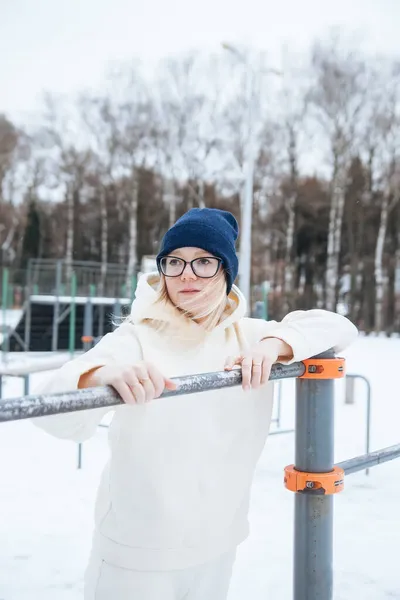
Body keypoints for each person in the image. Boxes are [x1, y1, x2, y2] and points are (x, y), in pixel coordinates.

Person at [33, 208, 358, 600]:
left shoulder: (251, 336)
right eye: (175, 262)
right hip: (136, 556)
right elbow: (51, 406)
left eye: (203, 262)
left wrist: (276, 345)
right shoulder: (135, 339)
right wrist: (99, 376)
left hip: (218, 546)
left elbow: (339, 326)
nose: (187, 274)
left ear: (226, 271)